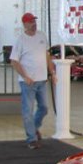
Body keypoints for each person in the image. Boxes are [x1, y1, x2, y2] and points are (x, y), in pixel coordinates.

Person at [10, 12, 57, 149]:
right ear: (24, 24)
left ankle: (34, 128)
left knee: (44, 108)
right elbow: (14, 61)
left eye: (34, 21)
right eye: (31, 22)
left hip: (42, 80)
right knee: (28, 111)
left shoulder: (42, 36)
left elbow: (47, 55)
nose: (34, 24)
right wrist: (25, 76)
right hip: (28, 82)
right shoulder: (21, 40)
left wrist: (52, 72)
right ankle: (31, 139)